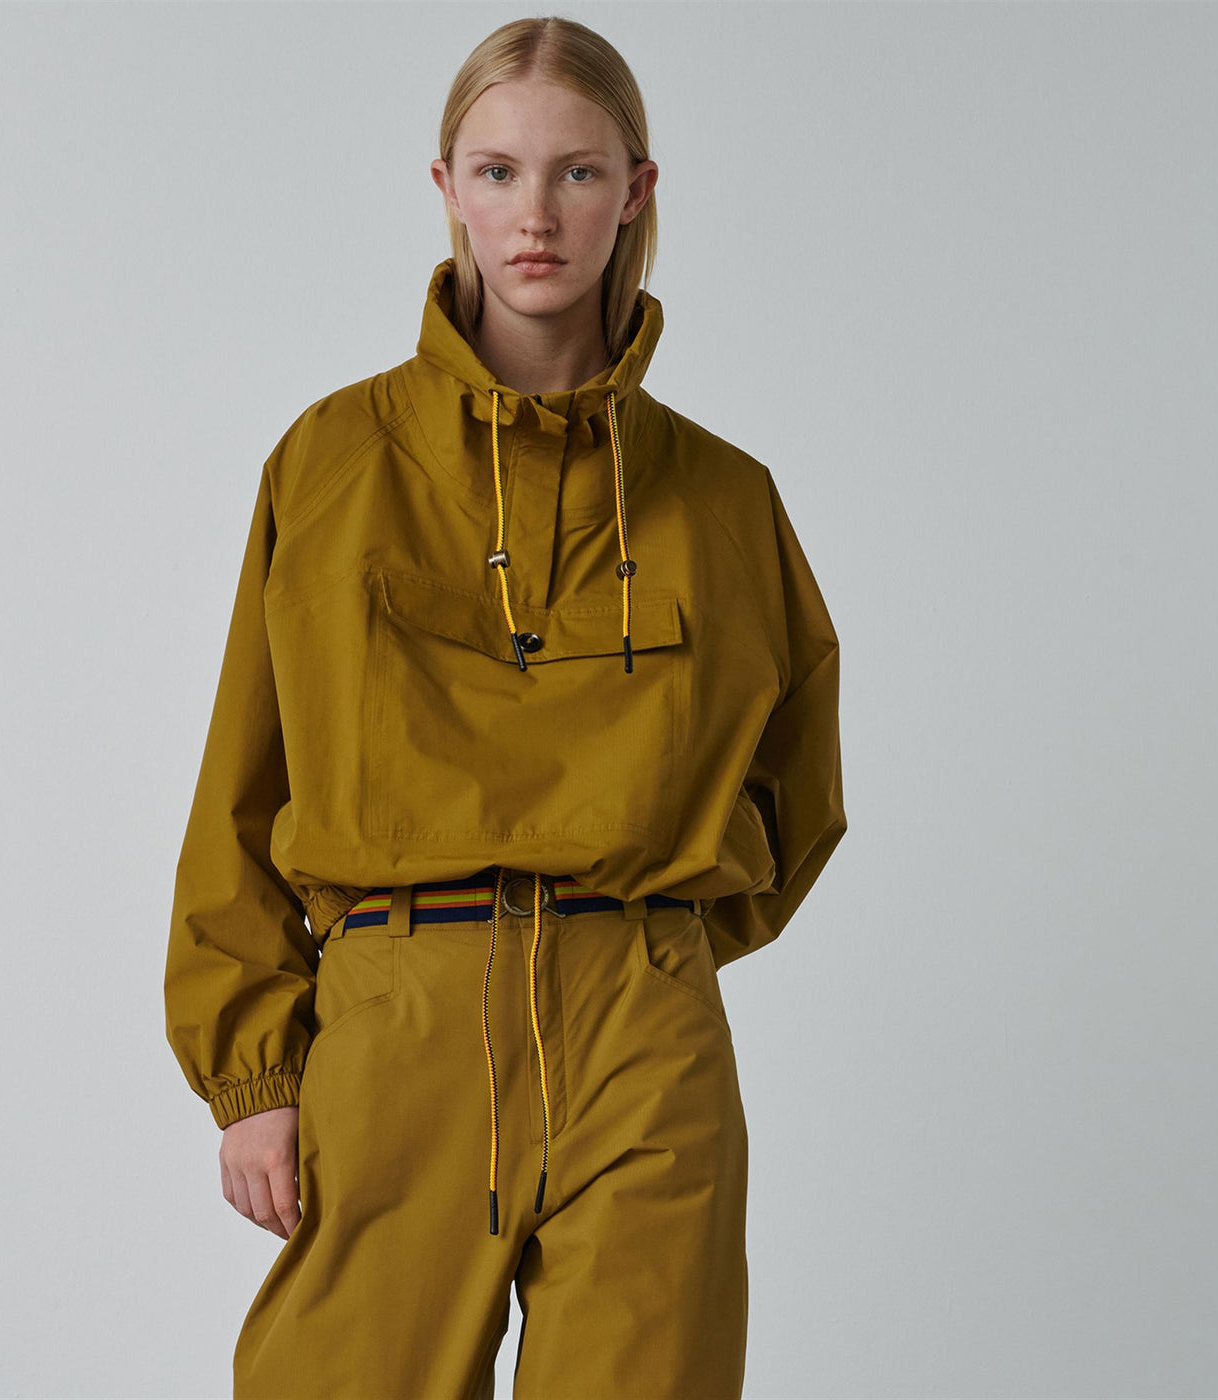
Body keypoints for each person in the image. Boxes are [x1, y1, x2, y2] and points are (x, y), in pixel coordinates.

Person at [163, 15, 847, 1399]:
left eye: (577, 173)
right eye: (498, 172)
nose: (536, 215)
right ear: (447, 188)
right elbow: (247, 779)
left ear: (636, 191)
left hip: (642, 1033)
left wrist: (648, 942)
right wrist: (258, 1075)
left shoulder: (725, 500)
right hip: (398, 1018)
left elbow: (799, 791)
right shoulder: (332, 463)